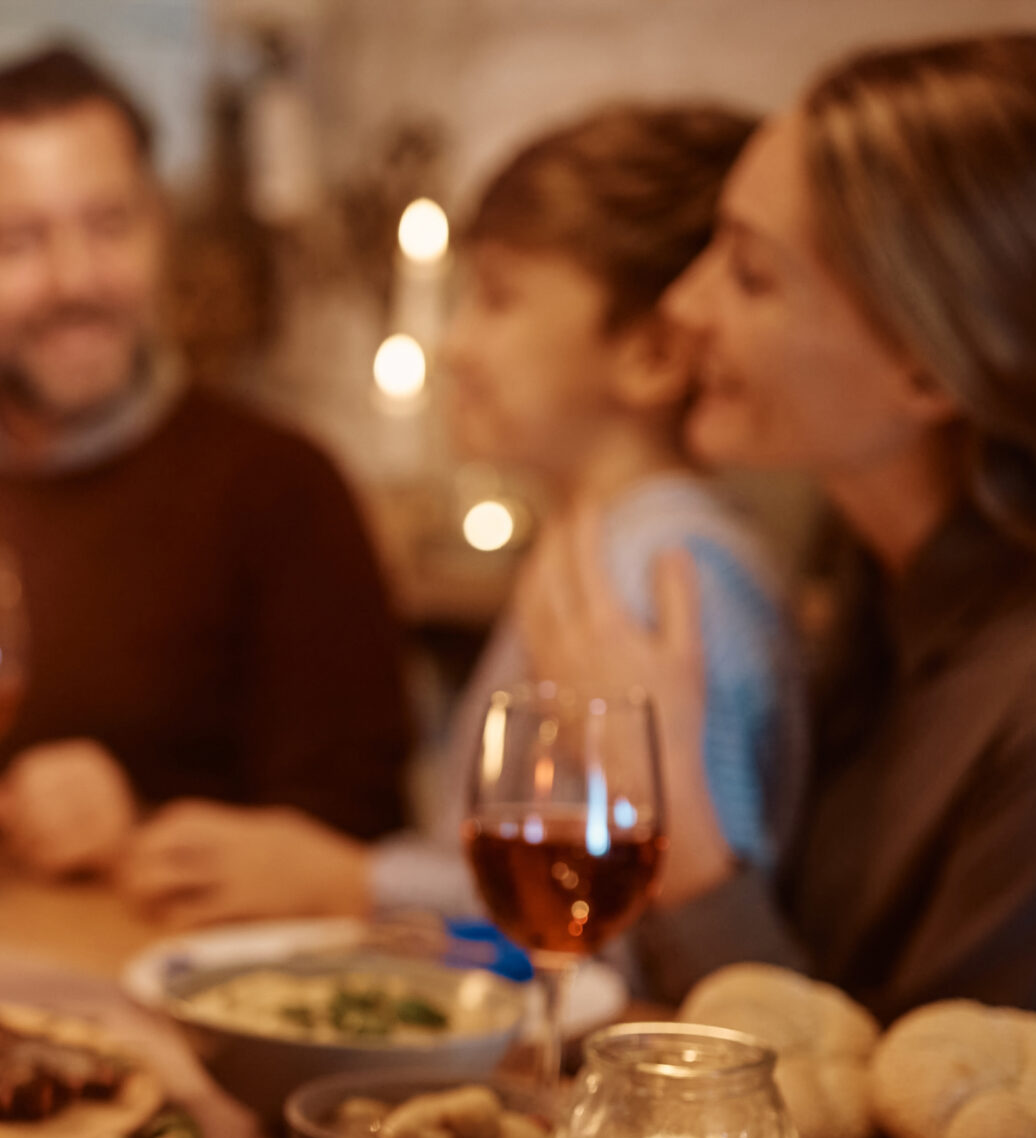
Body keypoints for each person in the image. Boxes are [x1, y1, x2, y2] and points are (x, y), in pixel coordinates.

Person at [566, 33, 1036, 1080]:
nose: (684, 303)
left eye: (751, 276)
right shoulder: (873, 572)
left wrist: (681, 839)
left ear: (933, 365)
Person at [0, 46, 411, 898]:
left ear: (159, 226)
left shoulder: (283, 489)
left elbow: (355, 835)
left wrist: (142, 825)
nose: (77, 278)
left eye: (110, 225)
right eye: (18, 241)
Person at [329, 103, 808, 926]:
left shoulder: (660, 574)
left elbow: (628, 919)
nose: (455, 346)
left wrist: (350, 880)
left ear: (652, 354)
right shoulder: (605, 540)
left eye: (499, 299)